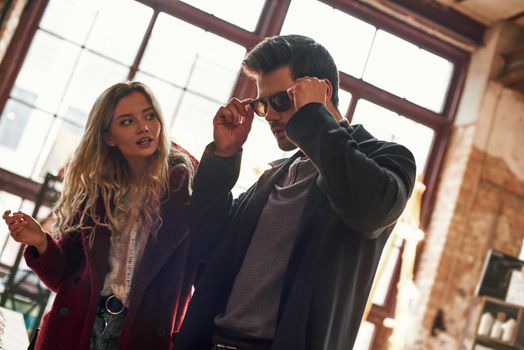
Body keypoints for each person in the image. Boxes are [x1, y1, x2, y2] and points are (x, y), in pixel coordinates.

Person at [175, 34, 417, 350]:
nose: (271, 115)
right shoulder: (273, 175)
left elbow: (369, 211)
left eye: (281, 100)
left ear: (322, 91)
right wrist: (224, 156)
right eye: (264, 104)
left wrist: (312, 118)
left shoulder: (386, 159)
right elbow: (208, 244)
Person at [2, 81, 198, 350]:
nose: (144, 127)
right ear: (108, 137)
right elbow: (63, 278)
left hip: (141, 335)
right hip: (77, 328)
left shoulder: (186, 186)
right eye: (127, 121)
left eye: (150, 115)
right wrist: (41, 242)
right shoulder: (96, 190)